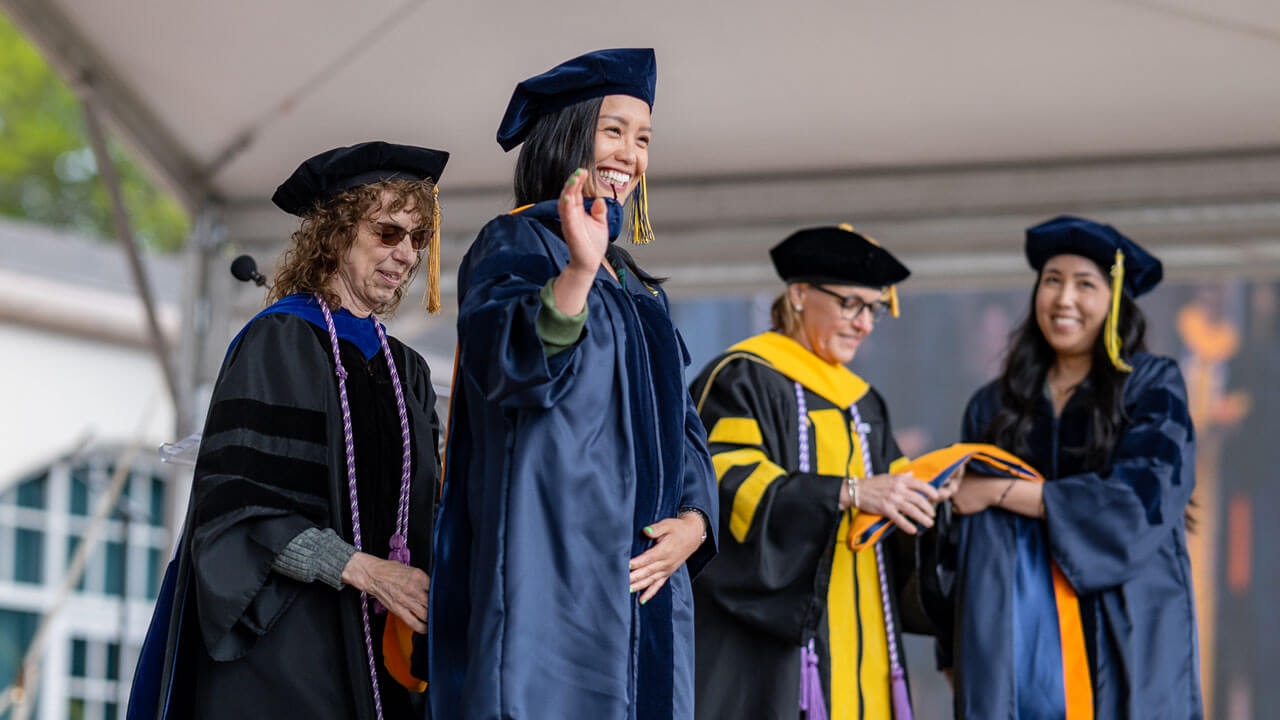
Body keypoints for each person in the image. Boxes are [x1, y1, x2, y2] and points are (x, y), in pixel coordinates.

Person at [428, 48, 718, 720]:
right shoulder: (516, 247)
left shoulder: (638, 286)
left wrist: (696, 524)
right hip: (554, 579)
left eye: (643, 138)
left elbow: (685, 428)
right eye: (613, 130)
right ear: (567, 135)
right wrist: (577, 276)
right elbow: (510, 367)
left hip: (646, 588)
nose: (631, 154)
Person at [127, 141, 448, 720]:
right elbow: (239, 508)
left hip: (387, 655)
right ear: (336, 230)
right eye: (388, 232)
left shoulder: (408, 373)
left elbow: (431, 509)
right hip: (290, 653)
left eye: (417, 238)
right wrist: (369, 572)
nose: (406, 254)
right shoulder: (278, 342)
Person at [929, 216, 1201, 719]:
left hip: (1126, 624)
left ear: (1114, 300)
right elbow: (957, 544)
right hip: (1018, 633)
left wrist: (998, 493)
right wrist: (953, 650)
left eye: (1085, 284)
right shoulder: (993, 405)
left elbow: (1138, 502)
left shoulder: (1149, 386)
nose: (1064, 299)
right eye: (1052, 280)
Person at [689, 225, 948, 720]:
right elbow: (724, 484)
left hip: (866, 637)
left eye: (872, 308)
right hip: (778, 652)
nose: (865, 324)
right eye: (851, 303)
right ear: (800, 294)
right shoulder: (744, 377)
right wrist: (846, 494)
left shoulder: (863, 402)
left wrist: (933, 494)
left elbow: (893, 495)